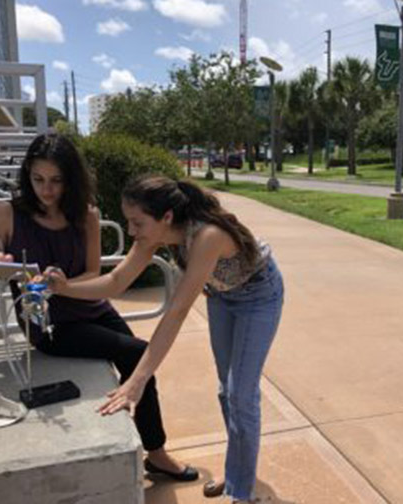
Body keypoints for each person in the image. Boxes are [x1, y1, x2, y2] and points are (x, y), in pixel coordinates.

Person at [45, 174, 284, 503]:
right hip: (223, 296)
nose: (131, 231)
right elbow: (116, 281)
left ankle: (242, 493)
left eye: (137, 222)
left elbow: (177, 312)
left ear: (166, 217)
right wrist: (65, 288)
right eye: (128, 222)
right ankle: (238, 473)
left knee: (241, 395)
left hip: (259, 296)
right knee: (226, 392)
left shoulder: (207, 236)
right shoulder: (151, 235)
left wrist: (137, 380)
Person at [0, 133, 197, 482]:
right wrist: (0, 261)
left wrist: (64, 284)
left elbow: (92, 273)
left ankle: (154, 451)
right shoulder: (5, 214)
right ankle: (156, 453)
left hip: (92, 307)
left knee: (140, 362)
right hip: (51, 324)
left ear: (71, 179)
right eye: (38, 179)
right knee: (138, 352)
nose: (46, 190)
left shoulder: (87, 215)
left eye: (56, 180)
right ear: (27, 176)